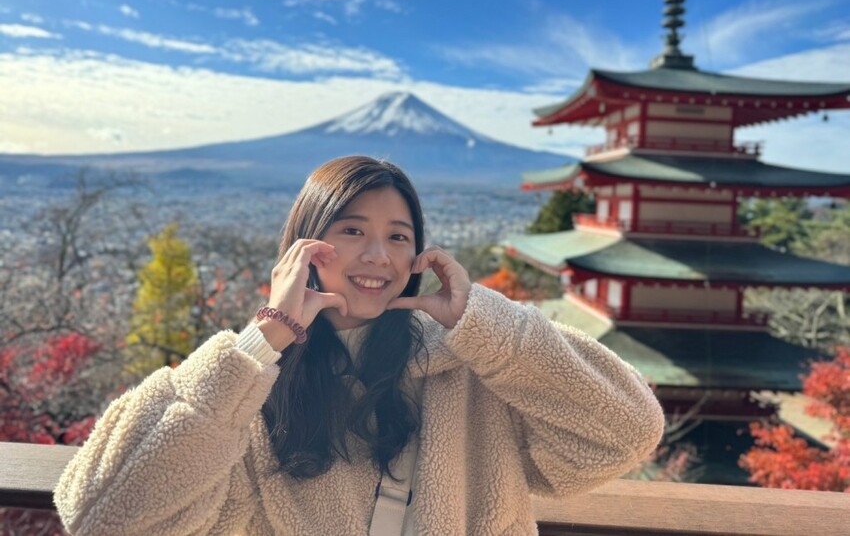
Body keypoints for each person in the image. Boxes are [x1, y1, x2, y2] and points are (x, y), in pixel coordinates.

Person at [55, 155, 665, 536]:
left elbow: (626, 430)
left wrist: (489, 325)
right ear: (303, 247)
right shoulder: (253, 385)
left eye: (399, 237)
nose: (378, 256)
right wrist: (262, 341)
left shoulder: (473, 366)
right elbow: (106, 518)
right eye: (352, 231)